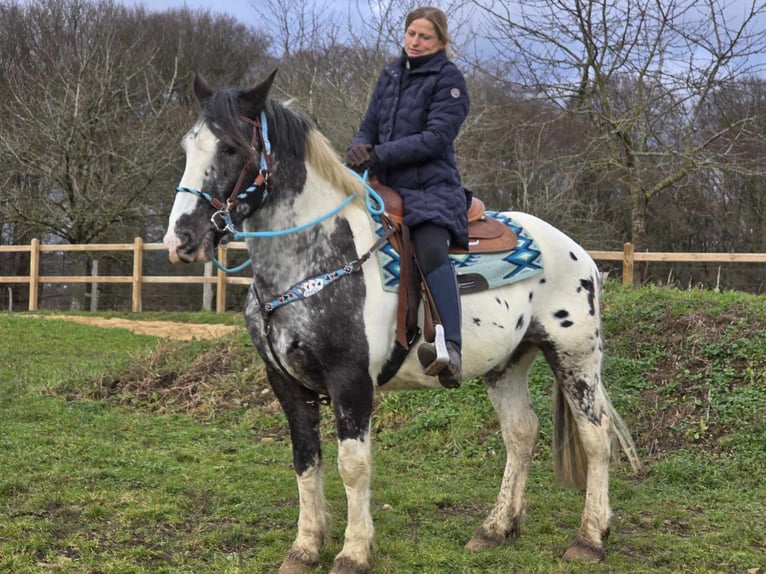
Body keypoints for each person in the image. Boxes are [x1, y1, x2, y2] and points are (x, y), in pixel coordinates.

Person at [346, 6, 470, 388]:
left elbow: (436, 139)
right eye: (411, 34)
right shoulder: (390, 74)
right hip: (383, 186)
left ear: (442, 42)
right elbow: (369, 125)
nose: (415, 42)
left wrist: (381, 154)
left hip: (431, 187)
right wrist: (357, 150)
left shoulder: (450, 80)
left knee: (431, 245)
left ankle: (451, 345)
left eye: (425, 37)